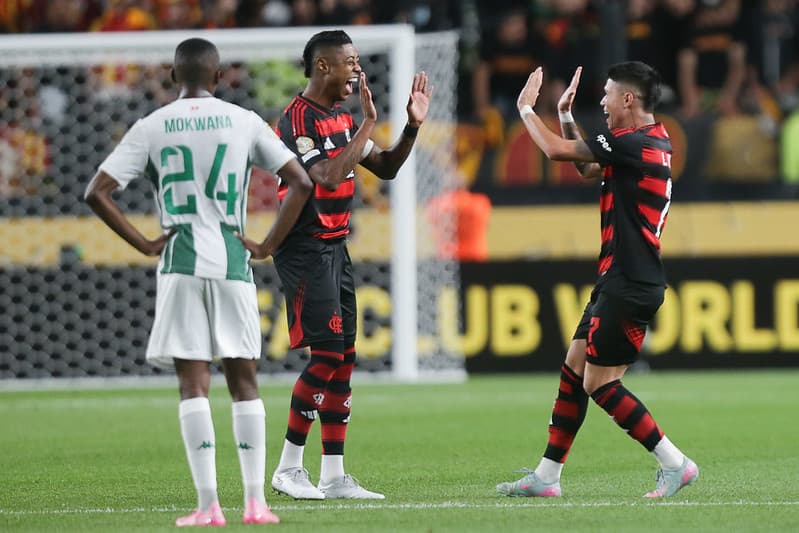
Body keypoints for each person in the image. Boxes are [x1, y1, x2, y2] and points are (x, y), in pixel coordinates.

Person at [84, 37, 314, 526]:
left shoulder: (152, 125)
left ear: (173, 78)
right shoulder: (243, 120)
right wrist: (268, 244)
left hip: (180, 263)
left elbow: (97, 192)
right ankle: (256, 503)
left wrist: (146, 243)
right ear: (218, 77)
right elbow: (302, 182)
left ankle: (209, 505)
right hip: (233, 261)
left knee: (194, 385)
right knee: (245, 382)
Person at [239, 29, 432, 500]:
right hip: (303, 248)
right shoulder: (296, 120)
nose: (357, 69)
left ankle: (334, 475)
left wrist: (411, 127)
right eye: (350, 62)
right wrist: (367, 122)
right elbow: (323, 177)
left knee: (343, 359)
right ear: (323, 66)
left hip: (335, 247)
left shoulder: (342, 119)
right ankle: (287, 469)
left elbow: (384, 167)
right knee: (325, 355)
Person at [496, 61, 699, 498]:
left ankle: (674, 462)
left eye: (607, 94)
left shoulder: (634, 141)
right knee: (574, 368)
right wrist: (566, 117)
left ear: (628, 99)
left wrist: (528, 111)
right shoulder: (650, 140)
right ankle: (547, 477)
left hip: (629, 281)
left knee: (599, 383)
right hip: (619, 278)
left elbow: (555, 152)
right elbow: (589, 169)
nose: (602, 103)